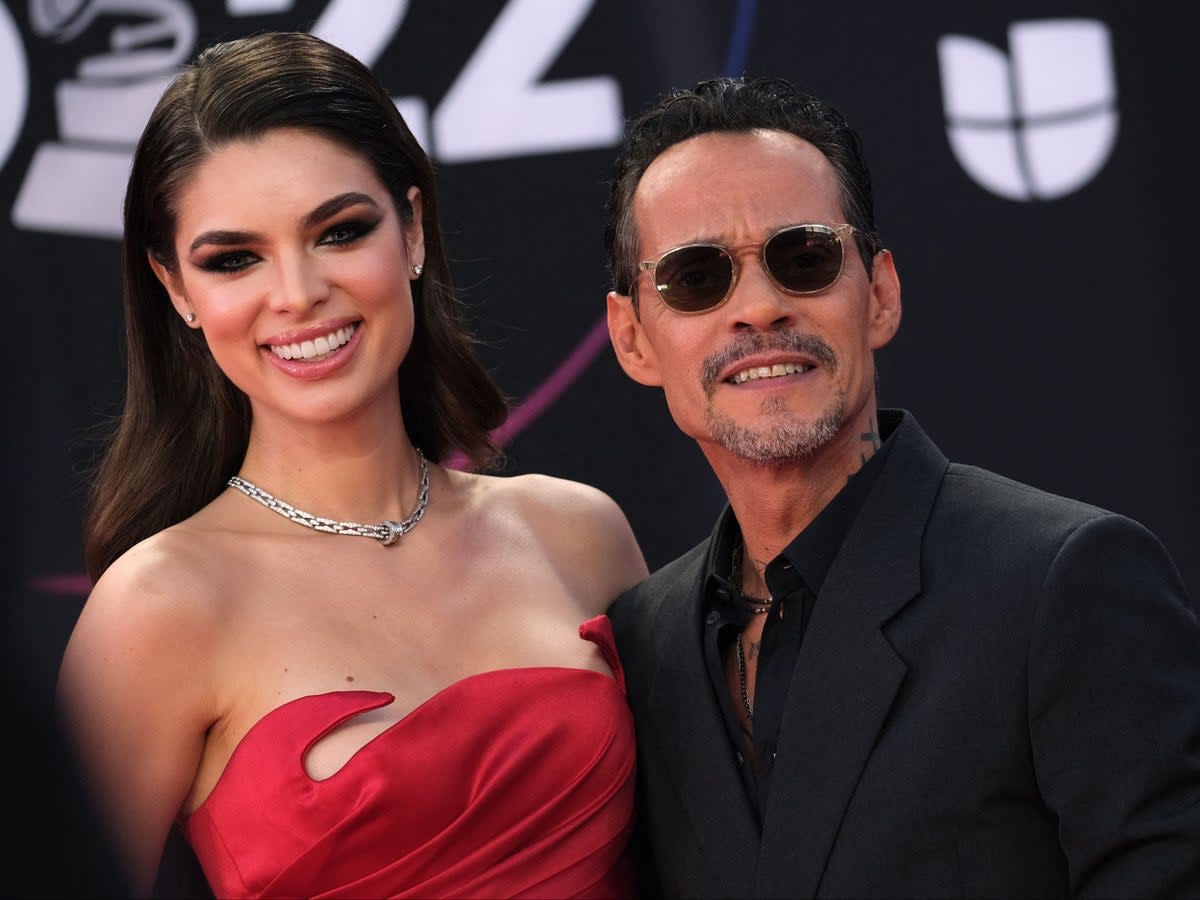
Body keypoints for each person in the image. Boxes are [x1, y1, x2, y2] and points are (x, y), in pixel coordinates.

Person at [57, 30, 648, 899]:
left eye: (338, 231)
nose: (296, 293)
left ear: (411, 229)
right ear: (177, 288)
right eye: (234, 259)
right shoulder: (159, 609)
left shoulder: (578, 534)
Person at [603, 75, 1200, 898]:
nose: (761, 307)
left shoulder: (1062, 583)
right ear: (633, 339)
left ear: (878, 294)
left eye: (804, 257)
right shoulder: (643, 642)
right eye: (697, 278)